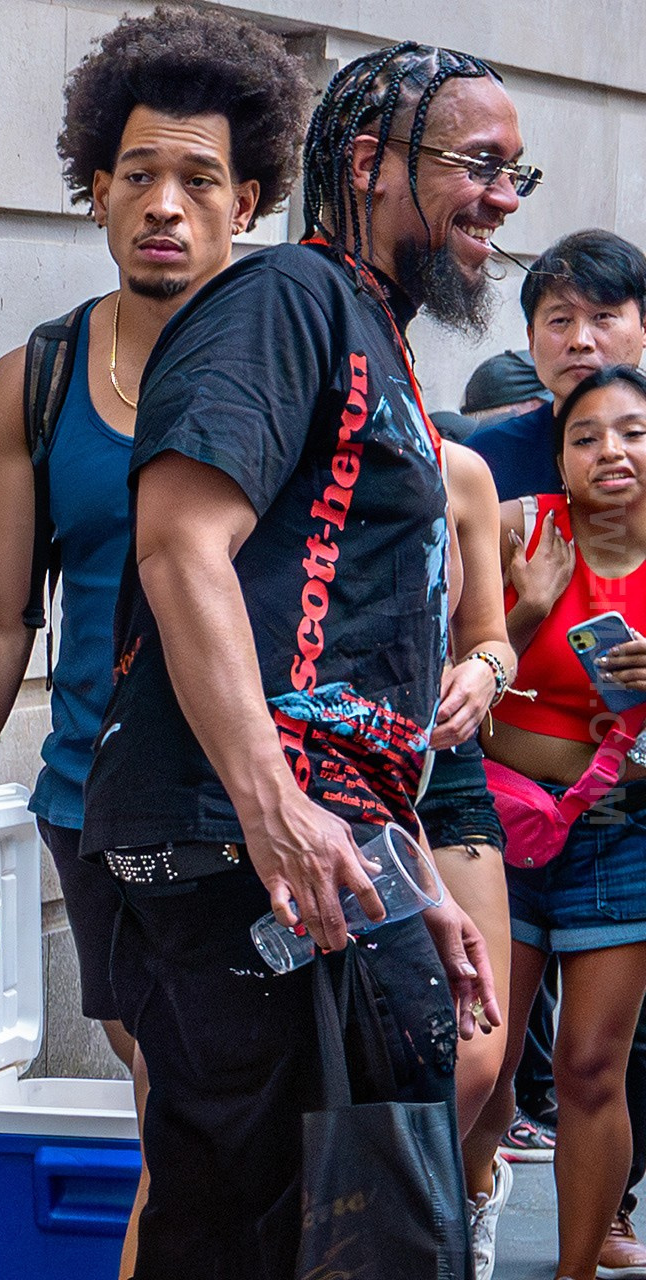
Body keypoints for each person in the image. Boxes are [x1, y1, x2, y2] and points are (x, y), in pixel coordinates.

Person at [0, 8, 314, 1274]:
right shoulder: (42, 378)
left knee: (235, 1148)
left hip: (286, 803)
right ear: (95, 192)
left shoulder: (295, 357)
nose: (165, 205)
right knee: (187, 1131)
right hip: (108, 816)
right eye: (137, 177)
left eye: (199, 180)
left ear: (252, 201)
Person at [79, 42, 522, 1277]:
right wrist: (276, 809)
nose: (501, 199)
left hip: (320, 844)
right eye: (476, 165)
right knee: (255, 1227)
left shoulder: (374, 332)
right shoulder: (286, 300)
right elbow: (179, 548)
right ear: (373, 166)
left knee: (354, 1222)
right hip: (235, 840)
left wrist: (402, 865)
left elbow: (335, 644)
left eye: (513, 172)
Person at [484, 363, 646, 1280]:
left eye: (632, 432)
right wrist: (527, 605)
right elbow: (443, 658)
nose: (610, 452)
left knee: (589, 1068)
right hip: (495, 826)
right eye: (586, 437)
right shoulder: (519, 526)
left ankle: (574, 1269)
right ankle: (469, 1225)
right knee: (487, 1062)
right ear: (559, 454)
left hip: (621, 833)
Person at [414, 438, 520, 1276]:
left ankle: (456, 1191)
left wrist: (483, 671)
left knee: (479, 1051)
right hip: (322, 764)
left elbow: (490, 633)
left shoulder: (462, 471)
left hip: (441, 769)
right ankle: (396, 1226)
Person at [467, 230, 646, 499]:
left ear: (644, 328)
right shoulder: (485, 460)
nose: (580, 341)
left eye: (603, 317)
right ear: (531, 338)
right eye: (561, 320)